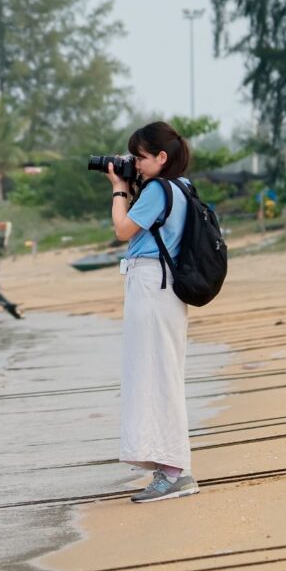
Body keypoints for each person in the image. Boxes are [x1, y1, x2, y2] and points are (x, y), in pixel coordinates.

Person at [104, 120, 199, 503]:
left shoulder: (159, 190)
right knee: (159, 373)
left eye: (140, 157)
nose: (135, 164)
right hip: (164, 287)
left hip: (153, 286)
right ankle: (169, 468)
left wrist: (118, 190)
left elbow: (123, 230)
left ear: (162, 157)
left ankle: (175, 471)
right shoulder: (182, 186)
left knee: (156, 376)